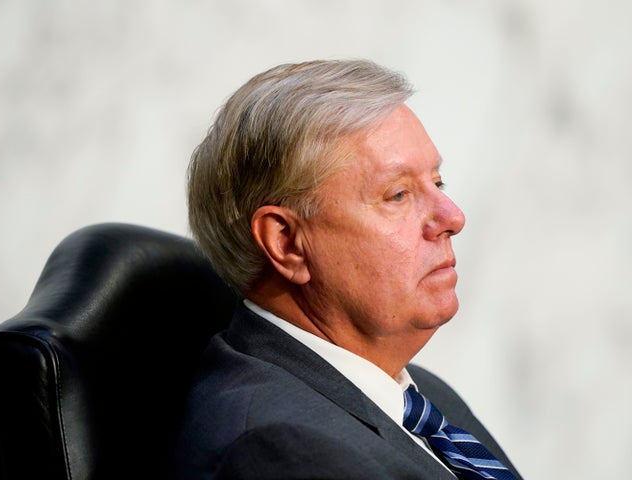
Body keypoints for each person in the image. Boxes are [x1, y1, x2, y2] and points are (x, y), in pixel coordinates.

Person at [175, 59, 523, 479]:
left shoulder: (422, 396)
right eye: (397, 195)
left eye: (438, 183)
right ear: (287, 243)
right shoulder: (280, 450)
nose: (453, 216)